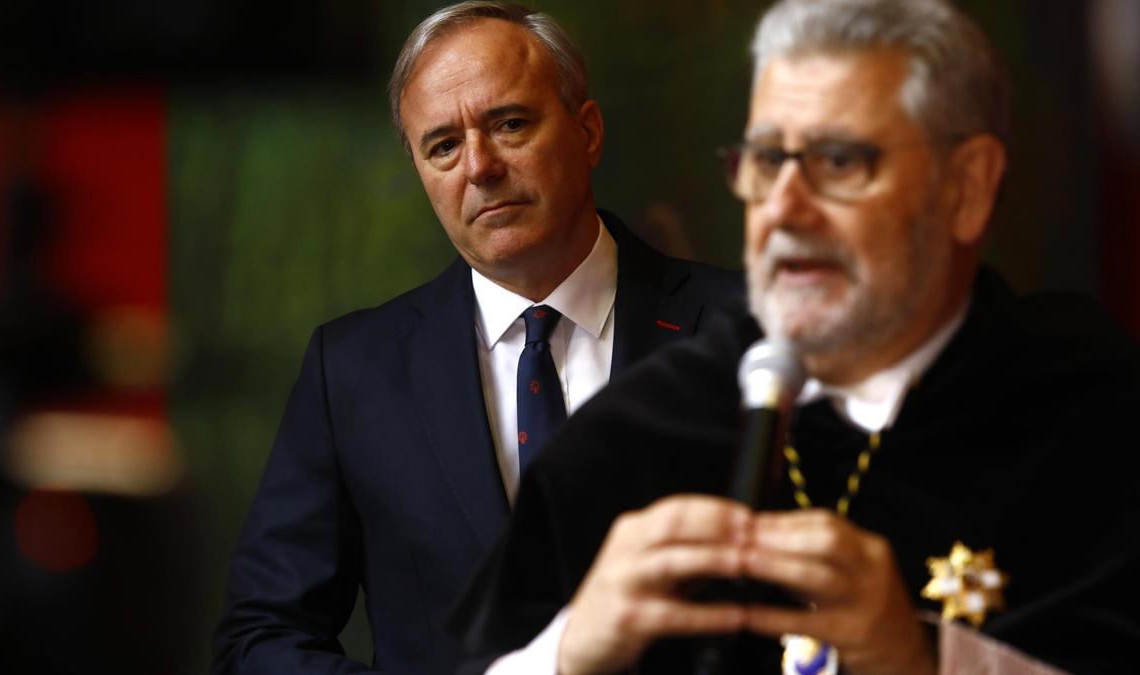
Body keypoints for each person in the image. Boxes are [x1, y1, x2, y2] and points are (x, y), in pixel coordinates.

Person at [451, 0, 1140, 673]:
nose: (782, 205)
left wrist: (925, 661)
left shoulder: (1095, 416)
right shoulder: (642, 430)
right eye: (766, 158)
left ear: (966, 187)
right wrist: (570, 655)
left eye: (839, 162)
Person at [211, 2, 746, 673]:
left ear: (587, 131)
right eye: (443, 146)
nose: (480, 167)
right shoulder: (353, 370)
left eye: (511, 124)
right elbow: (260, 640)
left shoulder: (747, 330)